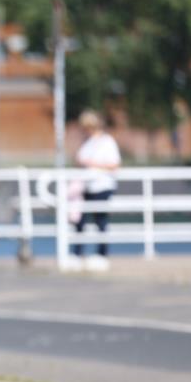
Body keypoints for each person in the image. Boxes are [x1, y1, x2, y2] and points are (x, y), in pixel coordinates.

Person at [72, 110, 121, 270]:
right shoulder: (87, 142)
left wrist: (92, 163)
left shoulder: (107, 141)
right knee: (79, 220)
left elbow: (114, 164)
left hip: (102, 186)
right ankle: (77, 253)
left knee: (101, 220)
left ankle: (102, 254)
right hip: (86, 186)